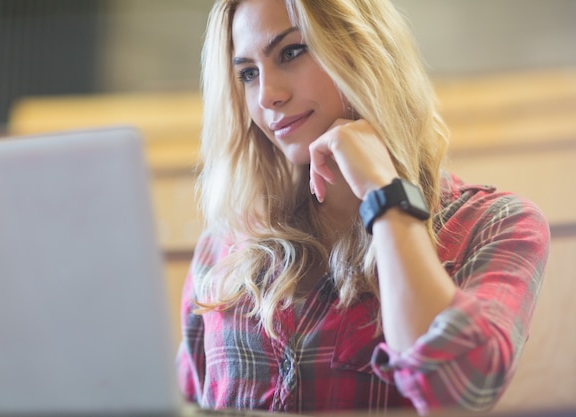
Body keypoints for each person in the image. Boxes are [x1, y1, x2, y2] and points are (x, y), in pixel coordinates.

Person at [177, 0, 550, 414]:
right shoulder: (223, 247)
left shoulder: (495, 225)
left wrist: (385, 194)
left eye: (292, 52)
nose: (268, 95)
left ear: (363, 50)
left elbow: (458, 391)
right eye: (248, 73)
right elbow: (189, 402)